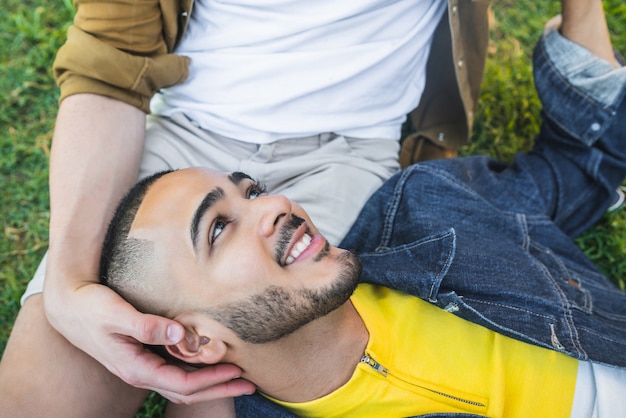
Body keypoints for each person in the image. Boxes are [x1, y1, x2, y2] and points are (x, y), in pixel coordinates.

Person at [98, 2, 626, 417]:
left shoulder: (429, 207)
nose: (277, 204)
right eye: (217, 231)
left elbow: (579, 169)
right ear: (195, 341)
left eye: (252, 191)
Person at [0, 0, 491, 416]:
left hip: (352, 151)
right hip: (188, 142)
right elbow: (111, 56)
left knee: (236, 384)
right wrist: (67, 285)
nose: (276, 205)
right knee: (48, 392)